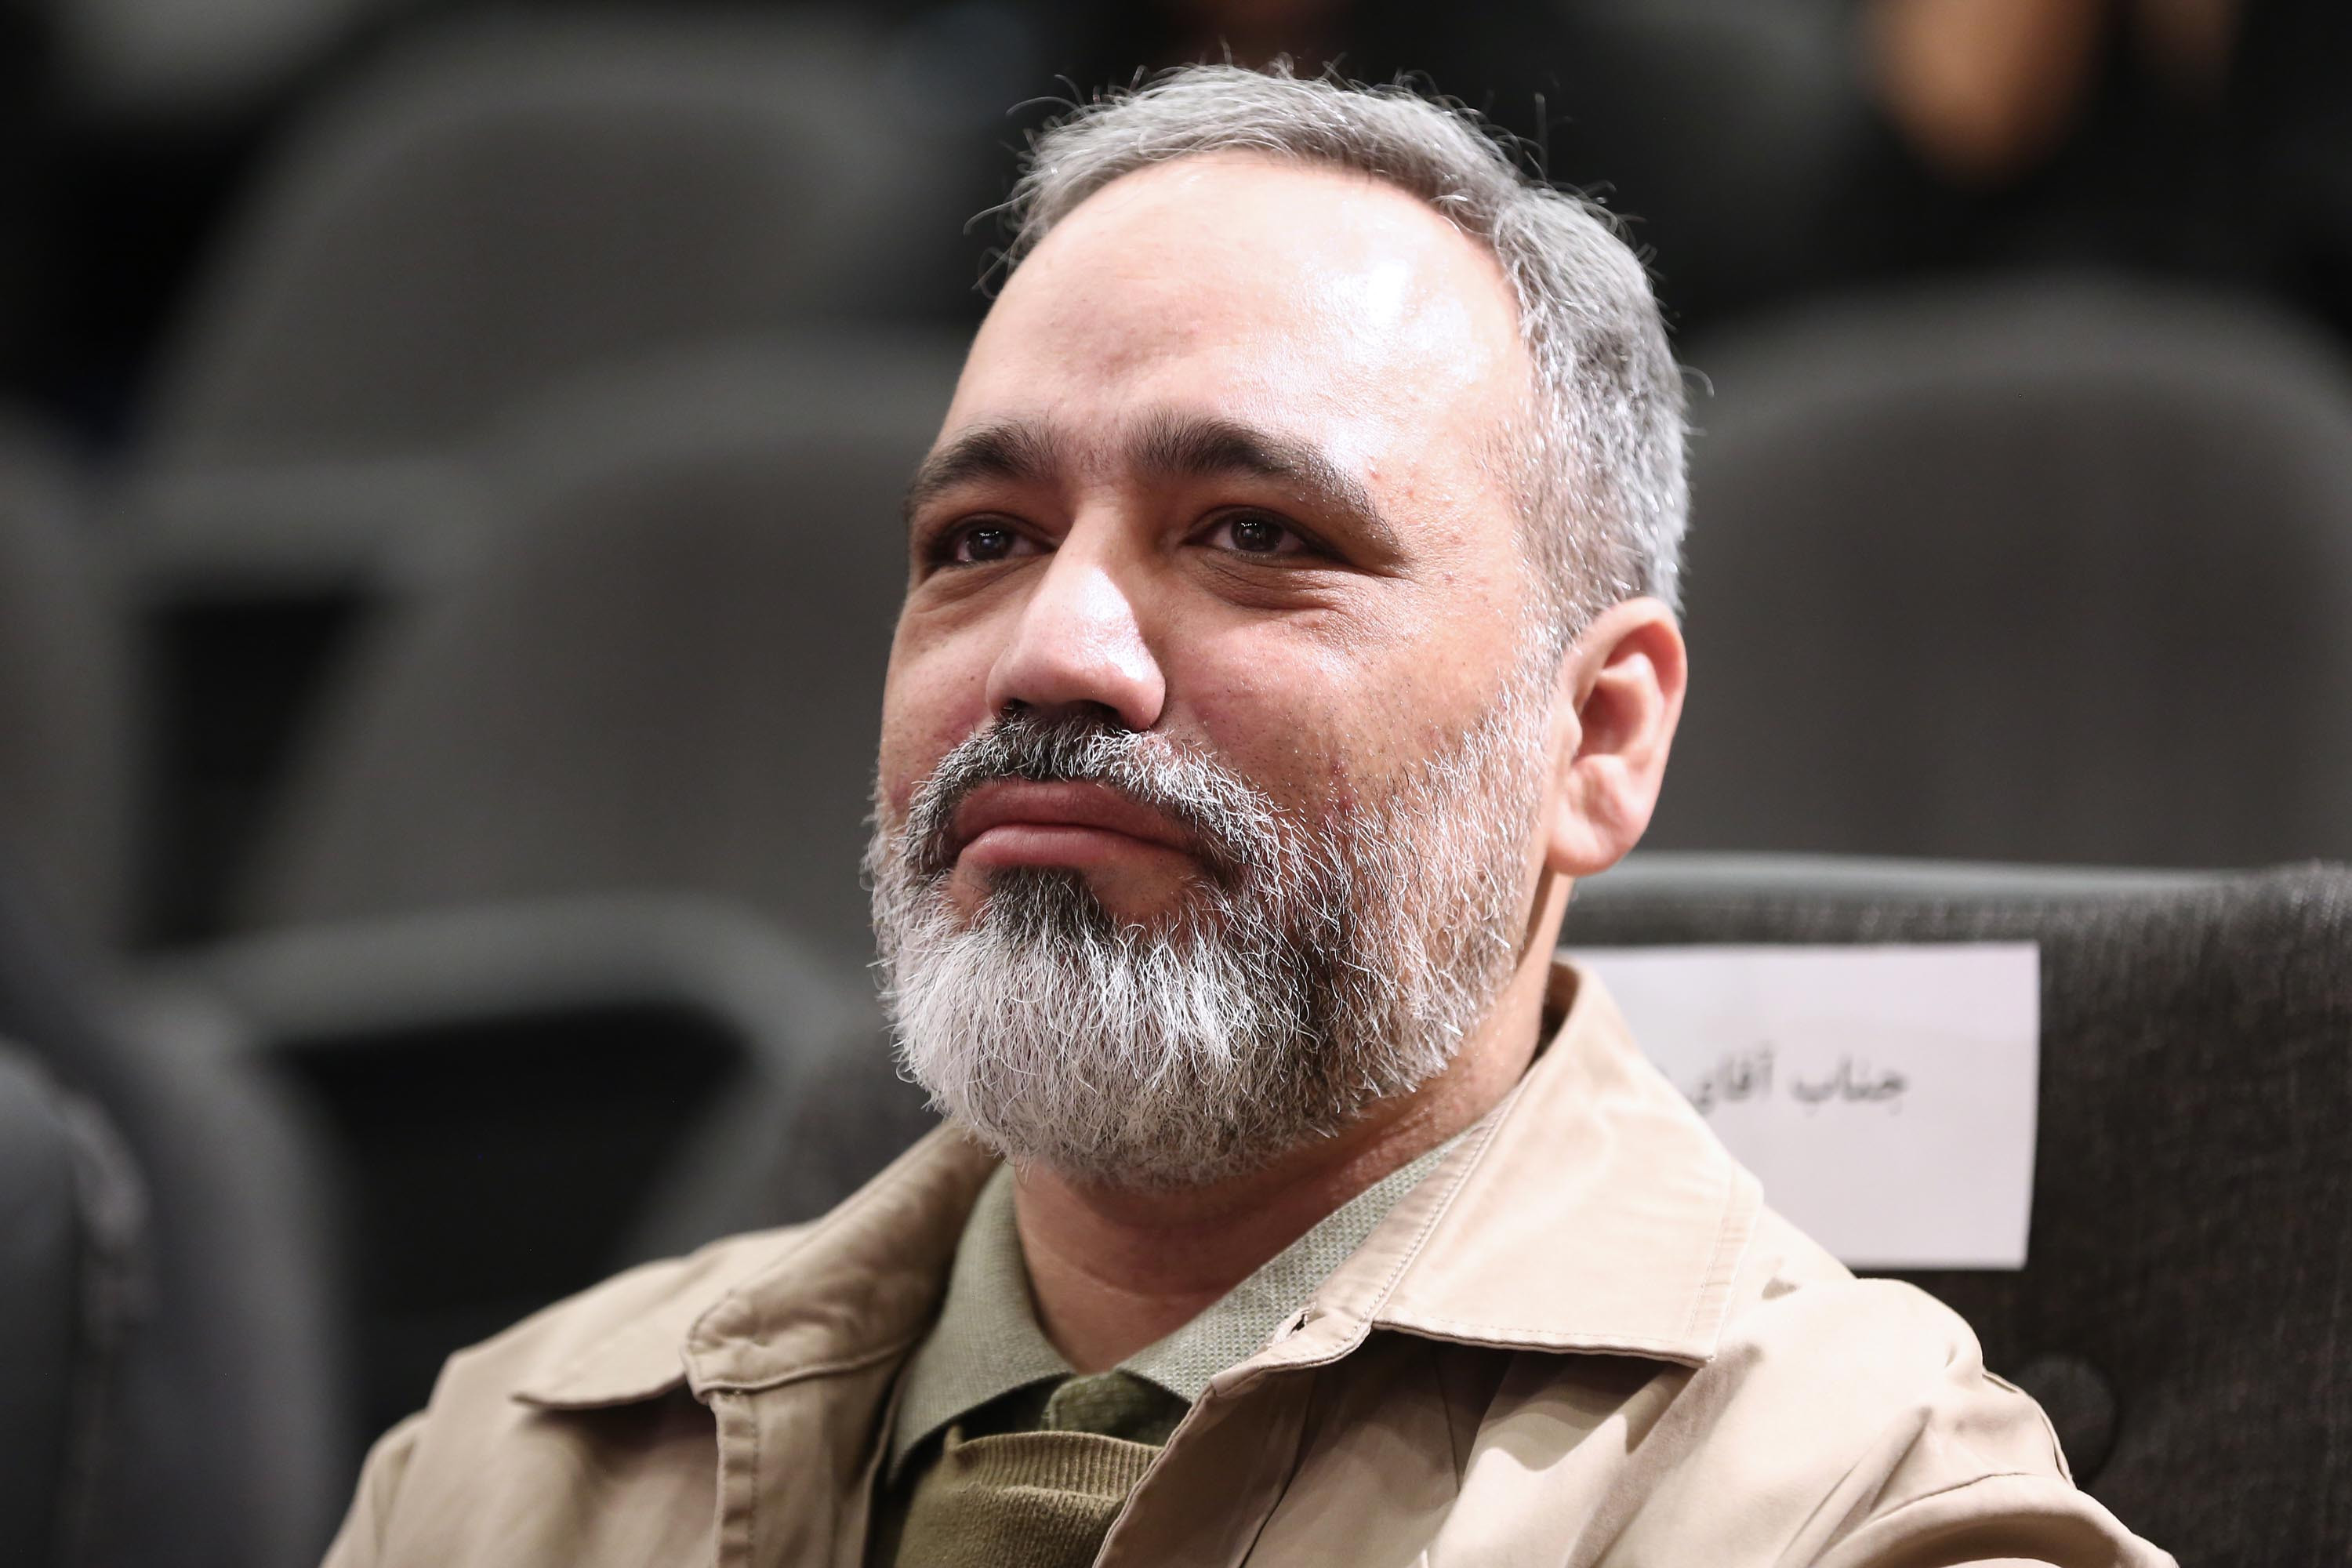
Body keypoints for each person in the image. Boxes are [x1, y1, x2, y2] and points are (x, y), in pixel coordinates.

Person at [321, 65, 2172, 1567]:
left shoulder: (1856, 1519)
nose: (1052, 651)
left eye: (1254, 533)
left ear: (1597, 736)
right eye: (981, 540)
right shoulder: (502, 1472)